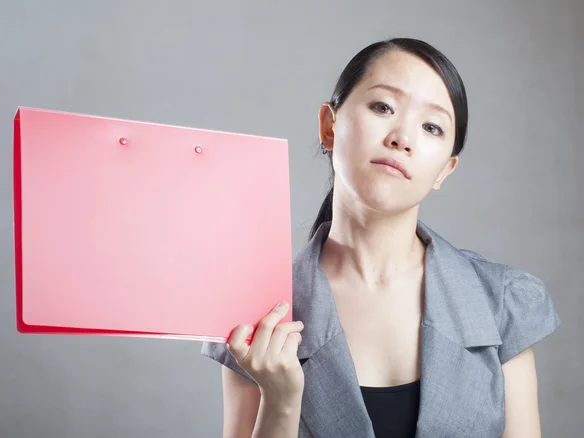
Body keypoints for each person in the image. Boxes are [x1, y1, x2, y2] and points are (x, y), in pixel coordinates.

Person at [200, 38, 561, 438]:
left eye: (431, 127)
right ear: (329, 126)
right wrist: (282, 402)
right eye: (383, 107)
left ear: (445, 170)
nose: (402, 137)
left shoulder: (503, 304)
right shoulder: (254, 314)